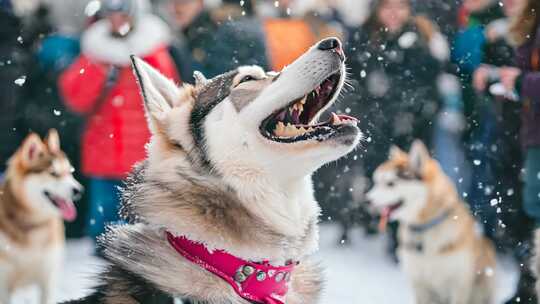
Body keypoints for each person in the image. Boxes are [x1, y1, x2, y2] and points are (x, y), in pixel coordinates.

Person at [59, 0, 179, 242]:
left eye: (122, 14)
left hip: (142, 162)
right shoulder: (94, 54)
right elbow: (75, 99)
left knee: (140, 237)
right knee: (102, 236)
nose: (117, 21)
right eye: (110, 15)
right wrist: (102, 69)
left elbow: (168, 100)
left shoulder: (153, 52)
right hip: (103, 159)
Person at [332, 0, 447, 249]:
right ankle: (368, 221)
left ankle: (400, 236)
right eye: (388, 7)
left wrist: (415, 106)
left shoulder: (422, 37)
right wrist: (367, 95)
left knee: (407, 180)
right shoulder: (364, 36)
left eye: (400, 7)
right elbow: (351, 77)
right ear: (377, 10)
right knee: (373, 174)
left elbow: (431, 80)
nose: (394, 14)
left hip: (411, 124)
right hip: (375, 122)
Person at [494, 1, 540, 302]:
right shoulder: (529, 20)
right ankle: (528, 286)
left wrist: (522, 81)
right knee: (531, 205)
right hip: (530, 130)